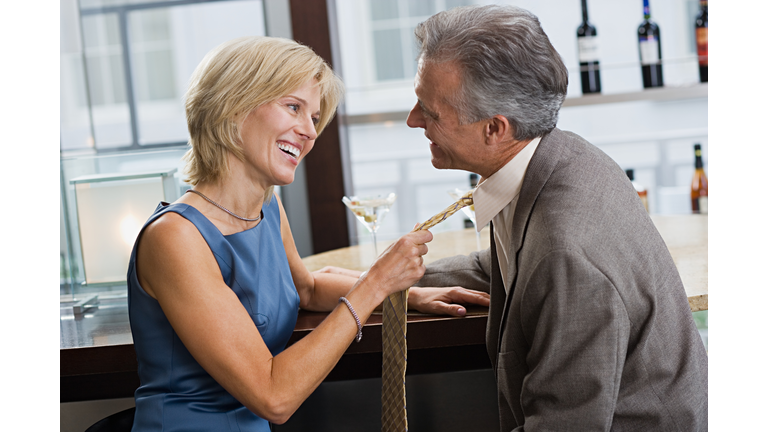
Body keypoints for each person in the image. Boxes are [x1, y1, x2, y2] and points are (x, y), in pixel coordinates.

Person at [127, 36, 489, 431]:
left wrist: (408, 294)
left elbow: (306, 289)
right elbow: (273, 397)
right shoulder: (175, 237)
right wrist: (375, 283)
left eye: (314, 117)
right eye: (293, 107)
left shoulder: (267, 205)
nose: (309, 132)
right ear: (232, 106)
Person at [406, 5, 708, 431]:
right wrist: (383, 281)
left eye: (429, 111)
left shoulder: (567, 251)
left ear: (495, 128)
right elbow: (502, 268)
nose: (412, 120)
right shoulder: (555, 158)